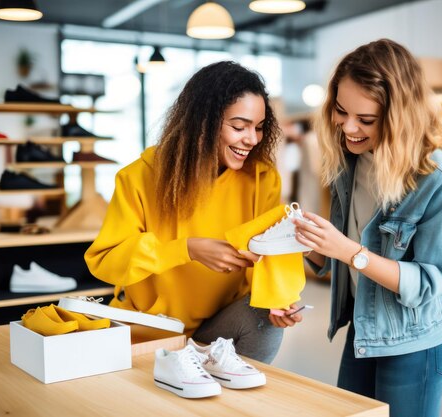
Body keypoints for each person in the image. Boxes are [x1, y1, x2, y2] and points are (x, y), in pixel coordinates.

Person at [85, 61, 302, 364]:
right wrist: (186, 250)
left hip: (218, 328)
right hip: (153, 328)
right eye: (239, 127)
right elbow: (105, 261)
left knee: (264, 321)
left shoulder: (262, 178)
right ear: (203, 122)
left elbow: (269, 256)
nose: (252, 139)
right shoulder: (138, 177)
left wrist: (278, 299)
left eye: (259, 127)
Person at [294, 39, 442, 416]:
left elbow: (428, 283)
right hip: (365, 326)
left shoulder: (438, 177)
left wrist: (348, 252)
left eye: (366, 120)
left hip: (416, 340)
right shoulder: (349, 159)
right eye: (341, 111)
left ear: (398, 117)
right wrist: (305, 241)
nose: (349, 128)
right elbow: (339, 253)